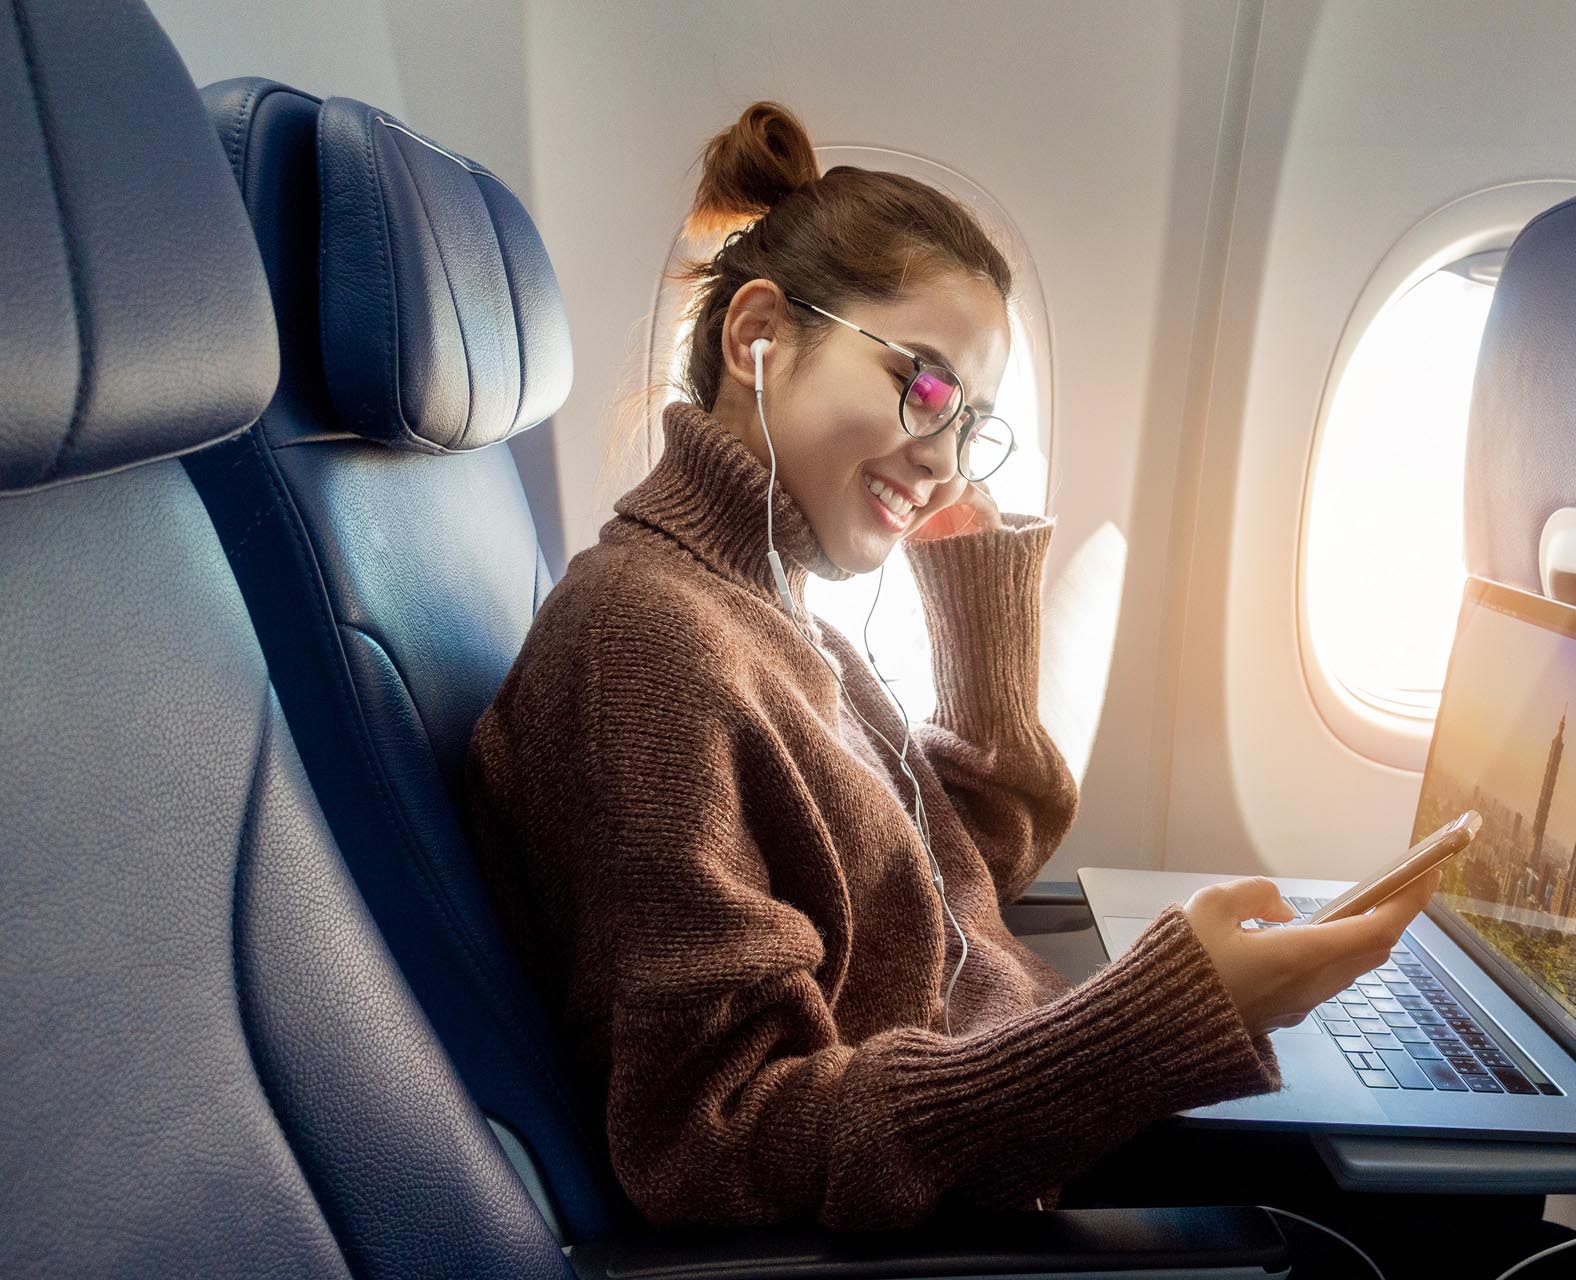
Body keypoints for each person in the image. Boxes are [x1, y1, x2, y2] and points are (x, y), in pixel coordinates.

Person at [460, 99, 1439, 1236]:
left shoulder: (773, 612)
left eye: (970, 420)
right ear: (758, 337)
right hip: (954, 1215)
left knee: (1424, 1181)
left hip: (1015, 1116)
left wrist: (971, 571)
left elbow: (958, 864)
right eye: (921, 384)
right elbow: (716, 1141)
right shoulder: (646, 643)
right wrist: (1156, 1019)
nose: (940, 453)